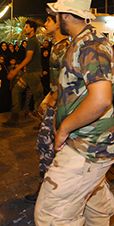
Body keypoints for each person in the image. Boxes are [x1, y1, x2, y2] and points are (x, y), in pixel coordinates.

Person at [34, 0, 114, 226]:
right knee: (95, 208)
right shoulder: (81, 41)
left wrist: (64, 128)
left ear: (67, 15)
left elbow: (101, 99)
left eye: (56, 13)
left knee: (51, 220)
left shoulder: (90, 45)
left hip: (87, 146)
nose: (54, 18)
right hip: (87, 142)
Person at [25, 13, 70, 203]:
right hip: (55, 101)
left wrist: (55, 95)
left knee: (48, 143)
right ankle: (49, 186)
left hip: (63, 104)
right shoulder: (55, 45)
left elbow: (69, 77)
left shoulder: (65, 47)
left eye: (48, 21)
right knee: (48, 144)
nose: (45, 24)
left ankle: (52, 189)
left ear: (58, 24)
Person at [4, 20, 44, 126]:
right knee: (16, 91)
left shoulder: (32, 41)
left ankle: (45, 122)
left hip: (33, 73)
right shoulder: (33, 40)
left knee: (39, 98)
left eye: (26, 27)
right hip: (29, 73)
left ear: (32, 29)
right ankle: (14, 117)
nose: (24, 29)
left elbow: (29, 57)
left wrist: (15, 71)